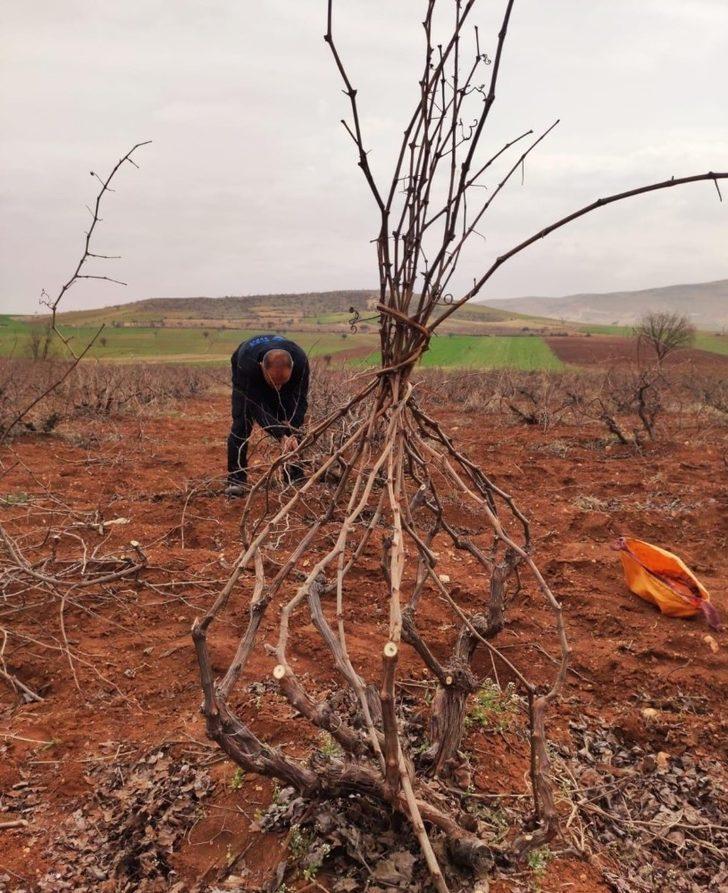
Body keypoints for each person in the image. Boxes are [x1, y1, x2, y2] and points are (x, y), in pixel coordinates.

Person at [226, 334, 310, 496]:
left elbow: (301, 399)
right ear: (261, 367)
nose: (277, 388)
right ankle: (236, 480)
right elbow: (256, 406)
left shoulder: (300, 361)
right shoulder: (248, 365)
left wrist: (291, 431)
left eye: (281, 383)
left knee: (294, 424)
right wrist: (280, 434)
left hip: (281, 378)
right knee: (241, 424)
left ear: (292, 367)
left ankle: (295, 475)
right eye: (274, 383)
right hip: (247, 373)